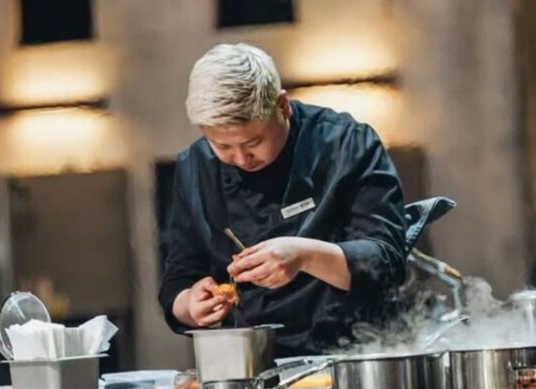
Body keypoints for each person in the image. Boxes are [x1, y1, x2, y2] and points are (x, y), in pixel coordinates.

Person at [158, 43, 408, 357]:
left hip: (355, 356)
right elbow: (178, 279)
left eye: (253, 142)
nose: (241, 158)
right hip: (253, 362)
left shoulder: (347, 144)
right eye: (222, 146)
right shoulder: (195, 168)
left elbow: (387, 263)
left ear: (282, 106)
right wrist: (191, 304)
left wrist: (303, 255)